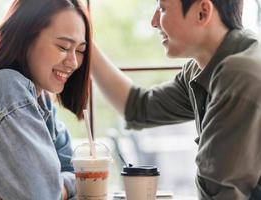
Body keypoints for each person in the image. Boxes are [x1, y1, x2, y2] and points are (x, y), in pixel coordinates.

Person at [92, 0, 261, 199]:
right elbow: (139, 108)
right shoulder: (201, 68)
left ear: (202, 12)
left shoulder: (240, 75)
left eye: (162, 9)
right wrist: (86, 43)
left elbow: (222, 194)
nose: (154, 22)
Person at [0, 0, 92, 199]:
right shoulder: (4, 90)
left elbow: (75, 170)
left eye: (80, 50)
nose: (73, 62)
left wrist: (60, 184)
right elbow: (45, 195)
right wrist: (63, 186)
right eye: (63, 47)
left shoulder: (41, 101)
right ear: (26, 38)